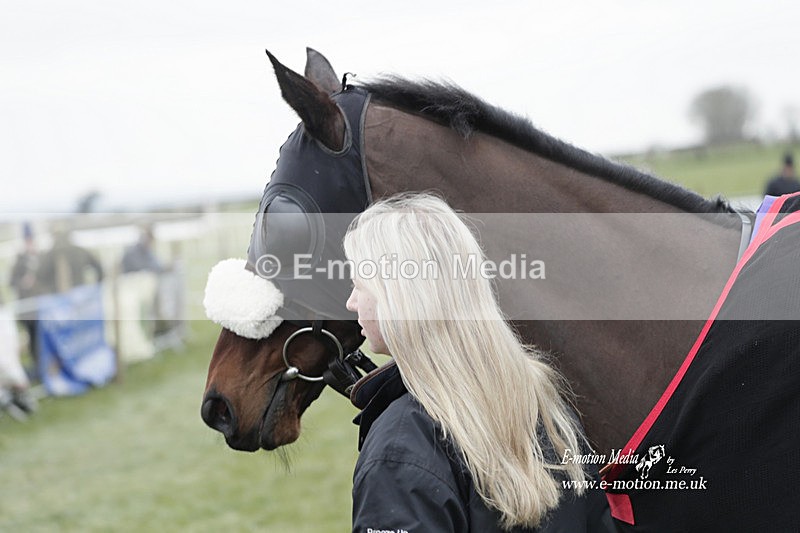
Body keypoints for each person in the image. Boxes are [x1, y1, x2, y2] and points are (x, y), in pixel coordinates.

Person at [343, 193, 612, 532]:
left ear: (399, 296)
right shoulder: (541, 402)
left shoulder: (400, 448)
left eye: (358, 285)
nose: (351, 303)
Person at [9, 222, 42, 378]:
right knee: (34, 339)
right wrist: (23, 282)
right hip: (28, 309)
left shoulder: (40, 257)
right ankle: (37, 368)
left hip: (42, 306)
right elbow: (12, 282)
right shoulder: (20, 260)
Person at [37, 224, 103, 294]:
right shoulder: (79, 251)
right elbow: (98, 267)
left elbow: (39, 276)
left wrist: (49, 291)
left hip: (59, 297)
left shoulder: (49, 255)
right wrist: (96, 287)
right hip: (80, 293)